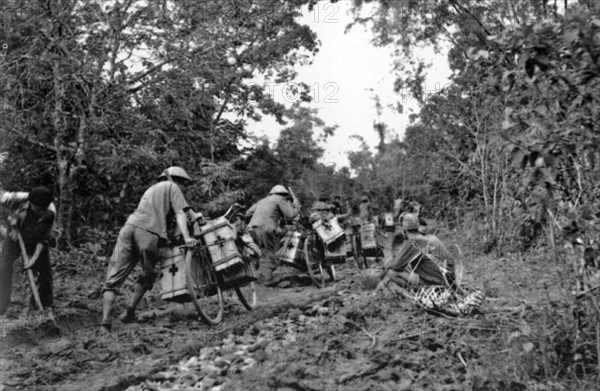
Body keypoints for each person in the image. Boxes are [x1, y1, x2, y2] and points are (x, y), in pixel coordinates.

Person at [100, 167, 202, 331]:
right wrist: (187, 237)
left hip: (129, 227)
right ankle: (130, 310)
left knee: (113, 279)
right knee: (148, 274)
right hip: (149, 233)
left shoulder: (152, 189)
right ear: (180, 181)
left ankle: (105, 322)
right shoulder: (173, 187)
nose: (184, 189)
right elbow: (180, 214)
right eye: (185, 186)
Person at [0, 187, 56, 317]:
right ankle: (1, 305)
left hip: (37, 236)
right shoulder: (15, 198)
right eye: (38, 209)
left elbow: (43, 240)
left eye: (44, 209)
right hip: (15, 236)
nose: (41, 211)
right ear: (30, 203)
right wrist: (11, 223)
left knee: (44, 271)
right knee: (3, 267)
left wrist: (33, 259)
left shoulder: (50, 213)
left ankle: (46, 307)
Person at [380, 213, 455, 289]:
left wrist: (384, 269)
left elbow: (396, 266)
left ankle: (416, 291)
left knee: (391, 273)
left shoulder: (414, 241)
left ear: (404, 228)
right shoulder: (426, 238)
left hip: (434, 281)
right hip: (446, 278)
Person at [245, 185, 300, 284]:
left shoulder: (262, 201)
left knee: (256, 252)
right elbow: (291, 215)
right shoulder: (280, 199)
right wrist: (296, 206)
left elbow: (248, 213)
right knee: (271, 252)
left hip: (251, 229)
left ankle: (252, 277)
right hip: (266, 229)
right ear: (283, 194)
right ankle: (266, 278)